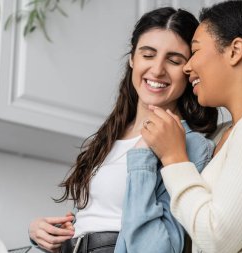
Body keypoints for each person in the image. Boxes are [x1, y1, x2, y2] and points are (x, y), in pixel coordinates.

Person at [28, 7, 218, 253]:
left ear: (188, 69)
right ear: (132, 59)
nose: (158, 69)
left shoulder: (191, 146)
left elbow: (157, 249)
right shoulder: (110, 135)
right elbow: (99, 217)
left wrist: (142, 161)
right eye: (148, 55)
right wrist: (42, 232)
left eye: (173, 60)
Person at [140, 1, 242, 253]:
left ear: (234, 50)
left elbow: (217, 237)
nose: (187, 66)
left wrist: (173, 157)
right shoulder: (223, 134)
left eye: (195, 51)